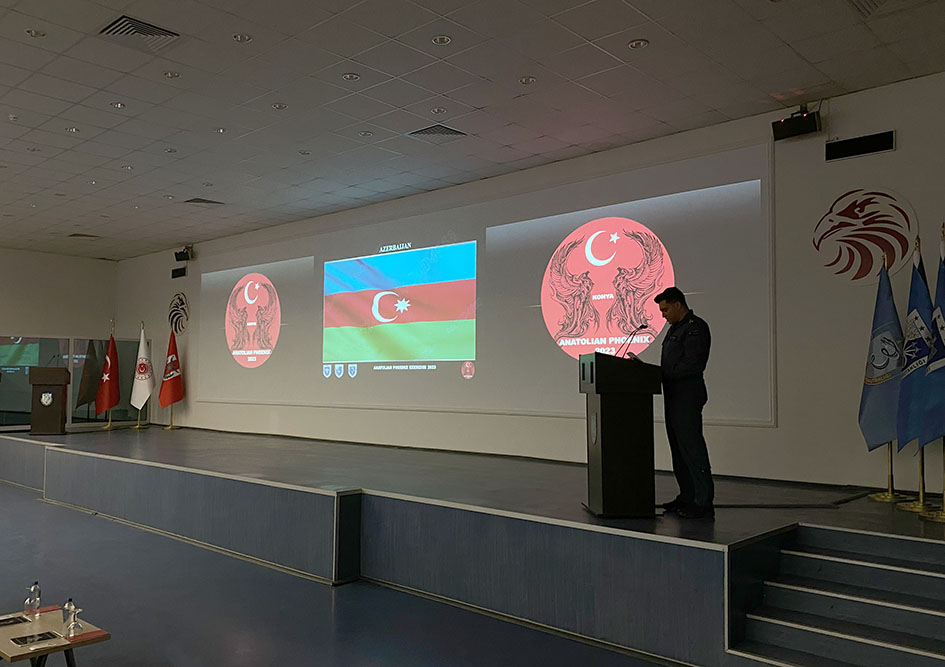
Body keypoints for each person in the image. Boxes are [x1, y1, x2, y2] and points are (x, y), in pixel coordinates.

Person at [654, 287, 714, 519]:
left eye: (665, 309)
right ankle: (687, 496)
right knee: (678, 450)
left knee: (692, 448)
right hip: (673, 397)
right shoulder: (674, 329)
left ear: (678, 304)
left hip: (687, 396)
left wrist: (662, 374)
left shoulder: (695, 328)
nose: (663, 315)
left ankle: (703, 501)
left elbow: (693, 364)